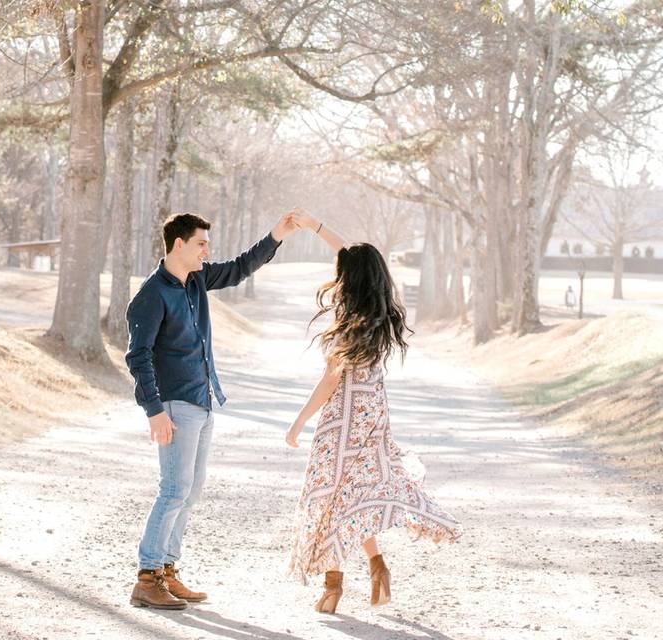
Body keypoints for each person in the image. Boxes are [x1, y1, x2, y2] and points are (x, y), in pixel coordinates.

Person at [285, 213, 462, 613]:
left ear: (350, 279)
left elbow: (330, 380)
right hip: (374, 416)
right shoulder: (378, 317)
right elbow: (350, 253)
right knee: (355, 495)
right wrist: (315, 227)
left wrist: (299, 421)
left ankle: (333, 585)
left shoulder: (348, 325)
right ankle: (377, 566)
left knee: (330, 496)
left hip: (342, 420)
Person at [125, 210, 301, 610]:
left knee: (190, 491)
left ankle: (167, 571)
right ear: (179, 245)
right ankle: (146, 576)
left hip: (202, 403)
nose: (207, 250)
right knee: (173, 490)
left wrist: (278, 233)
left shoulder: (197, 281)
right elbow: (138, 356)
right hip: (173, 406)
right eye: (201, 243)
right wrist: (154, 410)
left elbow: (241, 268)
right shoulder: (152, 295)